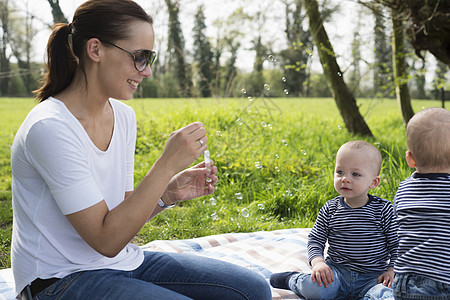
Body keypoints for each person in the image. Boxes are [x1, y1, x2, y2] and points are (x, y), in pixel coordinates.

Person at [10, 1, 271, 299]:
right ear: (95, 50)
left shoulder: (123, 116)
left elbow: (120, 220)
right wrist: (166, 165)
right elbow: (106, 239)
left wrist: (166, 194)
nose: (146, 71)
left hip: (120, 262)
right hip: (58, 281)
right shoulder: (50, 128)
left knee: (253, 290)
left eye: (150, 58)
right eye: (139, 57)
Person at [270, 140, 399, 300]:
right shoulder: (330, 209)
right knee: (318, 290)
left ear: (374, 182)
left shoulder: (384, 210)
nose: (345, 179)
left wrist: (392, 270)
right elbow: (315, 239)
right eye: (340, 172)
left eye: (355, 174)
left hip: (372, 277)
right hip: (336, 273)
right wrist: (318, 263)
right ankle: (293, 280)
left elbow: (398, 244)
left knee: (386, 295)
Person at [392, 107, 450, 299]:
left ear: (410, 159)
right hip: (445, 280)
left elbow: (398, 227)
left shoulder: (403, 189)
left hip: (404, 284)